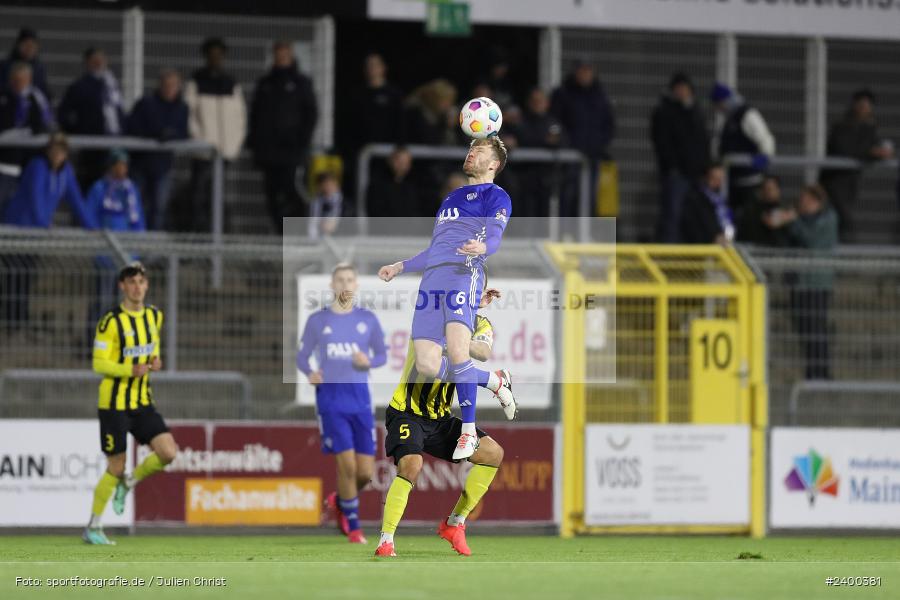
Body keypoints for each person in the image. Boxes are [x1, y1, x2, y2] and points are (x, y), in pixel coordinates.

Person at [378, 137, 517, 462]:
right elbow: (436, 249)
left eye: (479, 151)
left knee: (457, 353)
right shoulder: (451, 199)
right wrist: (402, 266)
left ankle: (468, 430)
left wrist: (485, 248)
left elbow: (495, 234)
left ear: (494, 164)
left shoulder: (497, 196)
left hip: (462, 272)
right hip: (432, 282)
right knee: (426, 362)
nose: (471, 153)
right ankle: (495, 381)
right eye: (470, 148)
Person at [375, 281, 505, 558]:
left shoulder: (481, 324)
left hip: (440, 418)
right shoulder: (430, 319)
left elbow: (482, 352)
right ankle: (386, 540)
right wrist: (491, 380)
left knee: (493, 453)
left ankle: (454, 523)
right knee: (412, 464)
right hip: (406, 412)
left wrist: (464, 331)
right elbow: (435, 367)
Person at [85, 262, 179, 545]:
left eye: (141, 281)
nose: (137, 286)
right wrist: (129, 370)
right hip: (113, 403)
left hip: (142, 401)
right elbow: (98, 363)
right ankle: (93, 527)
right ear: (122, 287)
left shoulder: (154, 316)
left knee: (168, 452)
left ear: (147, 285)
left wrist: (155, 361)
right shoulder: (110, 322)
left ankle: (130, 482)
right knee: (115, 465)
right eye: (131, 282)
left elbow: (153, 347)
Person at [296, 263, 387, 544]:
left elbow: (382, 355)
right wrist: (310, 372)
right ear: (332, 286)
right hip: (331, 402)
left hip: (360, 402)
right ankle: (355, 527)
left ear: (356, 285)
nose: (345, 284)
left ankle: (340, 501)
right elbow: (301, 356)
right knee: (346, 467)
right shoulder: (317, 320)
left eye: (350, 279)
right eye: (340, 280)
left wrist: (368, 361)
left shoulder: (368, 319)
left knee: (364, 472)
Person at [762, 184, 838, 379]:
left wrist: (791, 220)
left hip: (816, 282)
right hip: (798, 281)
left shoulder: (827, 218)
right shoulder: (801, 219)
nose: (800, 205)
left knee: (816, 329)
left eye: (804, 201)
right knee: (803, 327)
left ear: (816, 201)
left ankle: (821, 373)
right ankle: (812, 372)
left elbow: (810, 239)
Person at [249, 41, 318, 234]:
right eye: (278, 54)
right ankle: (281, 234)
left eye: (284, 54)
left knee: (291, 191)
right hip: (269, 153)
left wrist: (300, 141)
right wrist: (256, 145)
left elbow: (311, 114)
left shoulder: (301, 82)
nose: (281, 58)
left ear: (291, 55)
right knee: (271, 196)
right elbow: (256, 115)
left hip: (292, 152)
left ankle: (299, 233)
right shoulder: (265, 83)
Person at [184, 38, 246, 231]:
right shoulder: (196, 81)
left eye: (219, 55)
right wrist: (200, 141)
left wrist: (232, 146)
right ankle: (197, 237)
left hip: (224, 152)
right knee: (198, 195)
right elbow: (189, 114)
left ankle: (218, 236)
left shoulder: (231, 83)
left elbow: (240, 117)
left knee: (218, 196)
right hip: (203, 151)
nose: (216, 59)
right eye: (212, 54)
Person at [819, 89, 894, 241]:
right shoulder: (841, 126)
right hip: (833, 183)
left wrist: (883, 151)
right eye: (861, 105)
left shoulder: (869, 128)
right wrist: (871, 152)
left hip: (850, 184)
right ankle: (847, 254)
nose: (864, 109)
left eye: (867, 106)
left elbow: (874, 146)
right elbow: (845, 148)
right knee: (842, 221)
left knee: (840, 221)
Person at [126, 69, 189, 230]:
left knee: (159, 208)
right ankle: (134, 244)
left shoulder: (182, 108)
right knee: (137, 206)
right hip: (141, 164)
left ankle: (152, 248)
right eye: (166, 85)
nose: (169, 89)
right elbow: (133, 127)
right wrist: (156, 133)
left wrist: (172, 135)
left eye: (173, 85)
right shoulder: (146, 104)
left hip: (163, 167)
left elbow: (183, 132)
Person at [651, 73, 711, 243]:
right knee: (672, 215)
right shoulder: (664, 112)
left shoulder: (695, 111)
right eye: (679, 88)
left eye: (685, 88)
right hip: (677, 174)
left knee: (694, 215)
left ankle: (691, 258)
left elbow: (703, 140)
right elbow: (662, 143)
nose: (682, 92)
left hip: (696, 174)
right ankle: (669, 257)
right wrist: (673, 167)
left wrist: (705, 167)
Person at [551, 61, 615, 215]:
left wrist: (597, 145)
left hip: (592, 157)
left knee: (589, 197)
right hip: (570, 157)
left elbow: (609, 125)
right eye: (582, 70)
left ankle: (584, 234)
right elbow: (555, 122)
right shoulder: (563, 93)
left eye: (588, 70)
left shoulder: (600, 95)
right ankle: (565, 234)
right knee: (568, 195)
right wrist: (567, 144)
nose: (585, 75)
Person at [58, 47, 125, 190]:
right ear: (87, 63)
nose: (99, 63)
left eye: (102, 60)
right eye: (95, 61)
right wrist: (79, 131)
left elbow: (119, 112)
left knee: (112, 187)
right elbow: (64, 115)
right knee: (90, 186)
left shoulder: (111, 85)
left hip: (113, 145)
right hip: (90, 148)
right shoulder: (79, 87)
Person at [1, 133, 95, 229]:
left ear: (66, 153)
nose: (57, 154)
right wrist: (44, 225)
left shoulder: (66, 172)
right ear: (48, 150)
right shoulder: (38, 166)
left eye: (61, 150)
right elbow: (36, 198)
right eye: (54, 149)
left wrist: (93, 228)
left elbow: (77, 202)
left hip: (39, 228)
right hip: (19, 224)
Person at [710, 82, 775, 219]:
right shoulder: (729, 119)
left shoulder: (747, 114)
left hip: (751, 181)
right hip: (733, 181)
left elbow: (765, 138)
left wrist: (765, 156)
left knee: (750, 218)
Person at [0, 61, 54, 210]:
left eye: (22, 80)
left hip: (30, 160)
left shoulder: (37, 98)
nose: (18, 84)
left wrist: (26, 132)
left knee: (28, 203)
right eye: (15, 80)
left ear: (29, 79)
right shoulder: (4, 96)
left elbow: (45, 124)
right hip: (5, 162)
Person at [517, 87, 567, 221]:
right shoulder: (521, 122)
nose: (537, 104)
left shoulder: (553, 123)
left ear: (547, 103)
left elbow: (561, 141)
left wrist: (548, 142)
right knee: (526, 216)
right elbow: (522, 140)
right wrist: (544, 141)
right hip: (525, 180)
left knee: (545, 218)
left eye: (540, 101)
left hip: (547, 181)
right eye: (534, 101)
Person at [680, 162, 734, 246]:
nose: (718, 182)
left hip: (726, 242)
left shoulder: (721, 198)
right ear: (705, 177)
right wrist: (714, 237)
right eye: (714, 178)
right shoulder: (695, 198)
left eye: (720, 179)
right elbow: (693, 228)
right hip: (704, 246)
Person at [366, 146, 418, 220]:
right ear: (390, 161)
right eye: (399, 161)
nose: (402, 166)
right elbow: (376, 213)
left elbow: (413, 212)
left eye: (406, 163)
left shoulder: (410, 187)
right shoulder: (378, 186)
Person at [737, 175, 789, 247]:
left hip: (780, 253)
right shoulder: (753, 209)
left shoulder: (784, 208)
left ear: (778, 190)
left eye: (771, 188)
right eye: (766, 188)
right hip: (757, 252)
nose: (768, 192)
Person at [0, 28, 51, 99]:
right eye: (26, 45)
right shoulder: (5, 66)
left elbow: (43, 91)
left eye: (32, 46)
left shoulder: (39, 68)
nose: (29, 49)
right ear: (18, 45)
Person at [308, 172, 342, 239]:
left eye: (331, 184)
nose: (329, 188)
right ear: (319, 187)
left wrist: (334, 224)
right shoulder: (316, 202)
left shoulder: (344, 203)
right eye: (326, 185)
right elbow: (313, 223)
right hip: (322, 237)